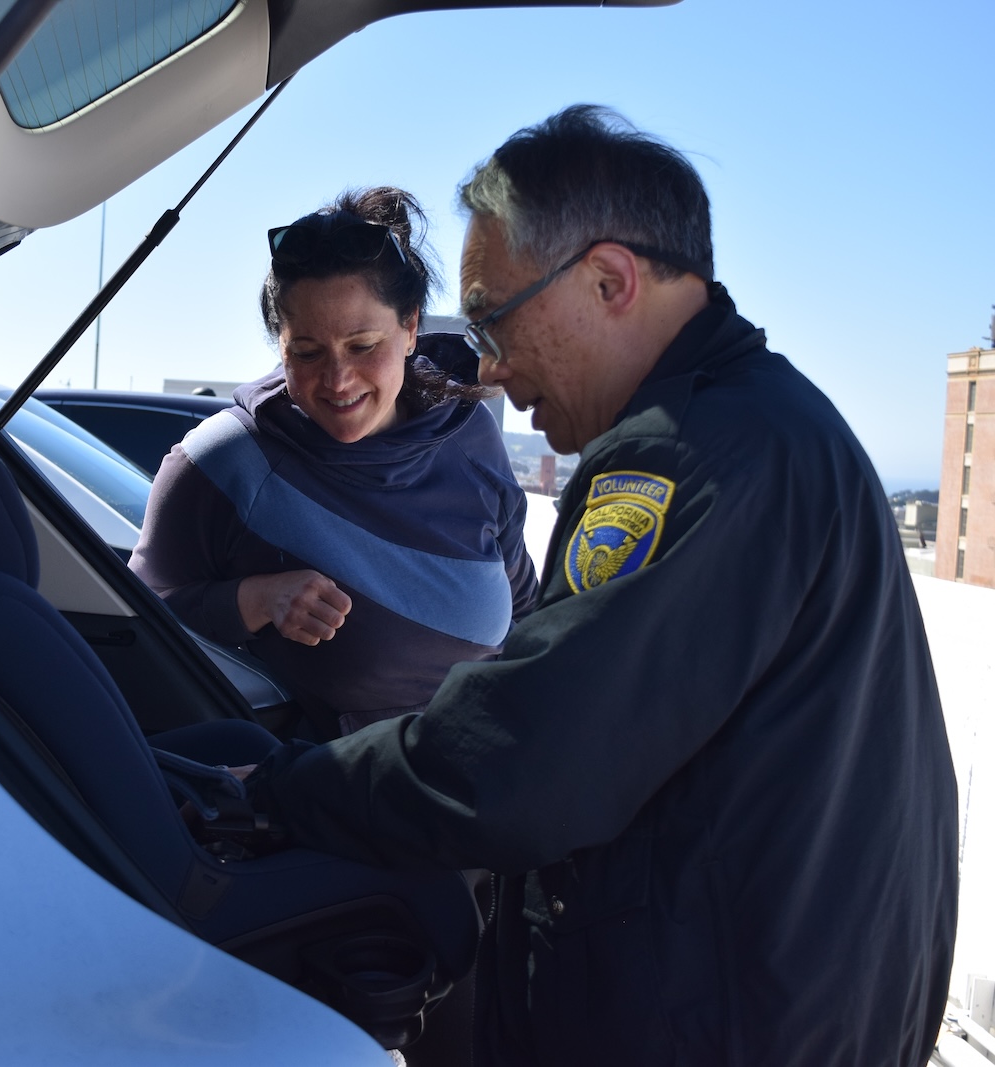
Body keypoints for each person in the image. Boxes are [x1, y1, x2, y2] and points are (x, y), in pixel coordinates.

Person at [240, 108, 958, 1066]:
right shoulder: (774, 424)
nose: (488, 367)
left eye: (493, 316)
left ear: (611, 280)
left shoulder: (683, 456)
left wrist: (283, 791)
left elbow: (522, 758)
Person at [129, 187, 538, 739]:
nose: (338, 380)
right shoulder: (224, 461)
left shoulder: (467, 432)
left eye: (364, 345)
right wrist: (255, 599)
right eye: (307, 352)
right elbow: (133, 622)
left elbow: (523, 608)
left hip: (482, 778)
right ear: (280, 345)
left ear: (412, 327)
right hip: (334, 799)